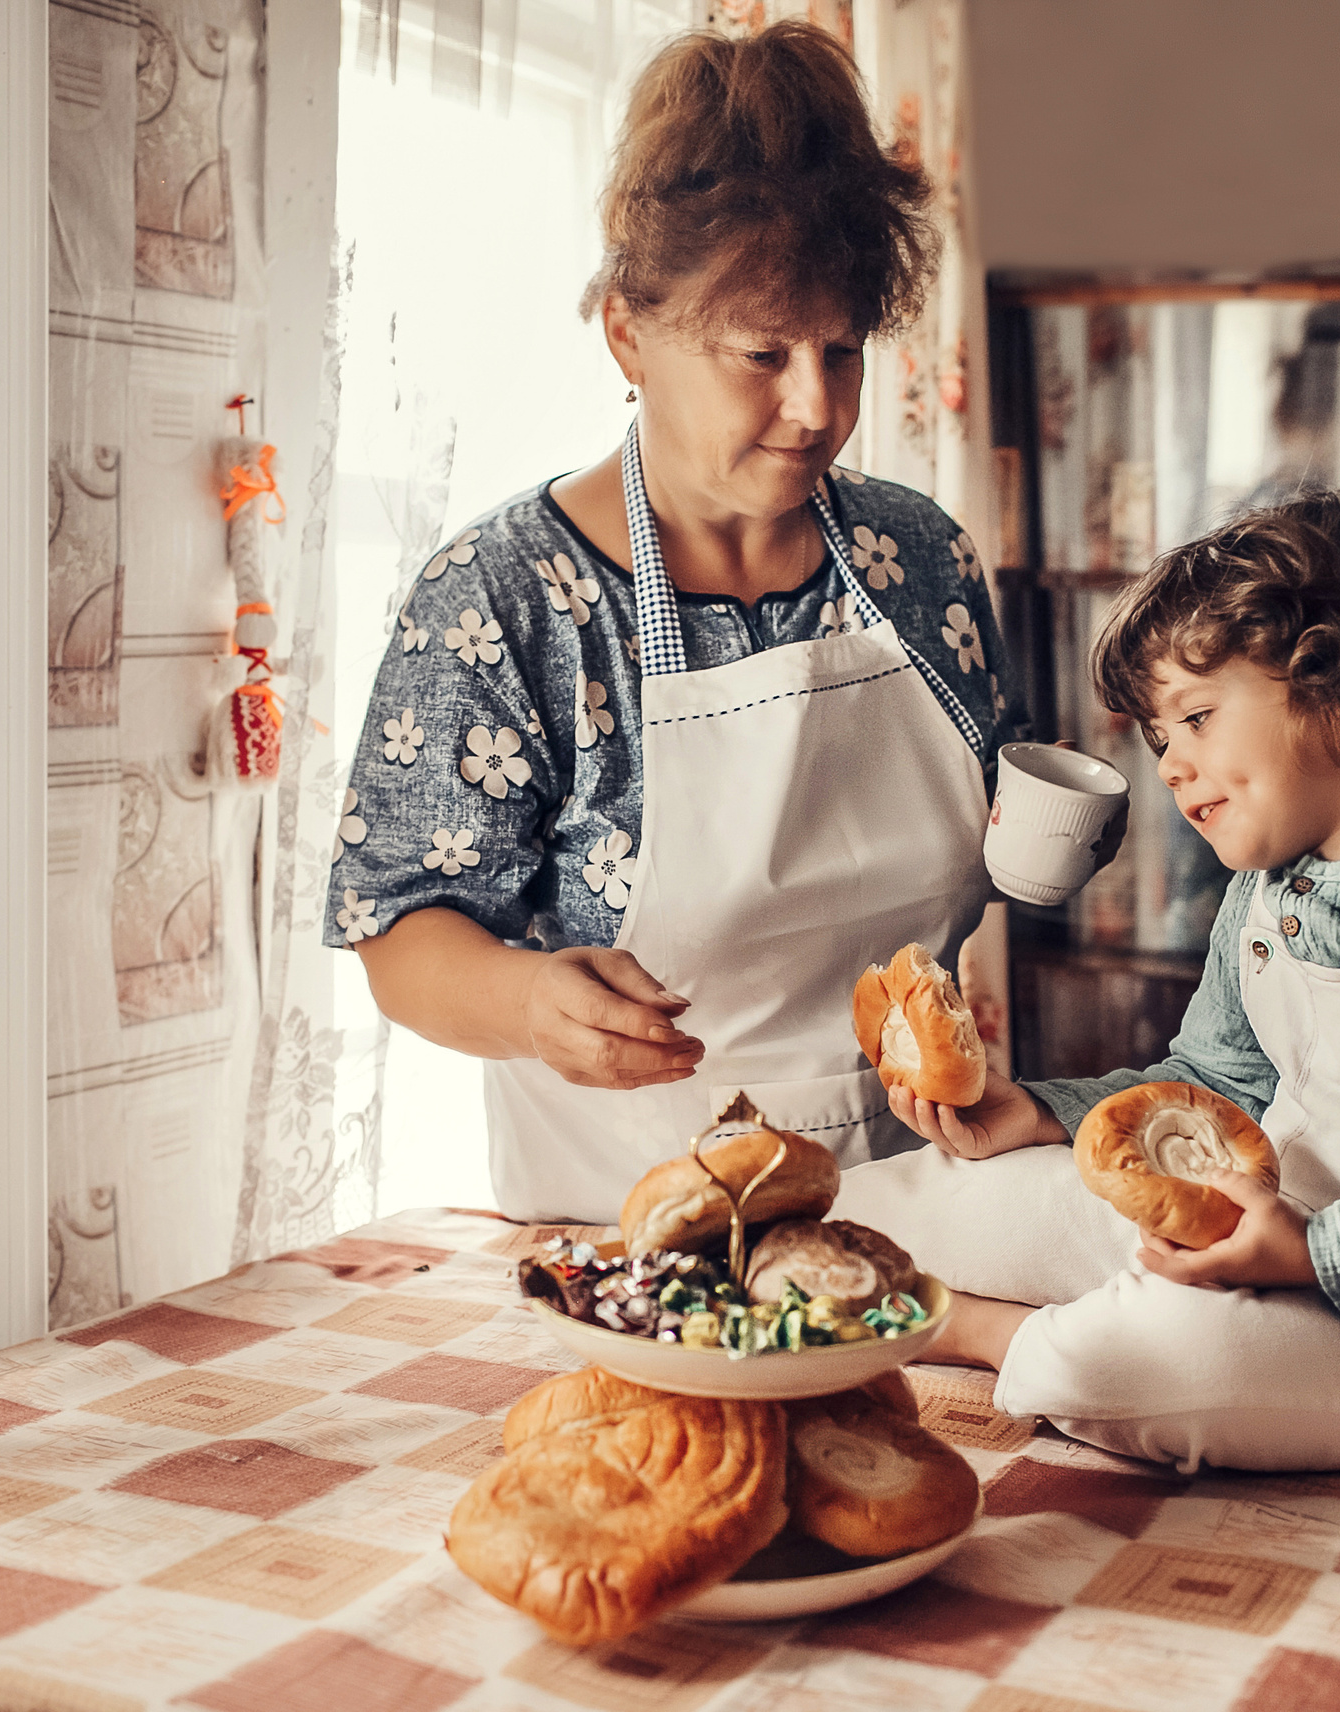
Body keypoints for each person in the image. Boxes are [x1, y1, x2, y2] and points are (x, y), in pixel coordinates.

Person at [326, 22, 1029, 1221]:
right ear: (629, 334)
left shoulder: (918, 558)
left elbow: (996, 821)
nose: (815, 406)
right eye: (762, 353)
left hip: (925, 1209)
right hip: (627, 1224)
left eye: (842, 352)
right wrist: (525, 1000)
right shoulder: (500, 600)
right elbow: (401, 930)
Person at [833, 493, 1340, 1473]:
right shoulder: (1266, 889)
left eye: (1197, 716)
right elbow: (1209, 1087)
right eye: (1159, 737)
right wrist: (1036, 1113)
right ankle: (1064, 1302)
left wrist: (1316, 1253)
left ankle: (982, 1333)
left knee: (1105, 1362)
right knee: (878, 1209)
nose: (1171, 763)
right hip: (1259, 1240)